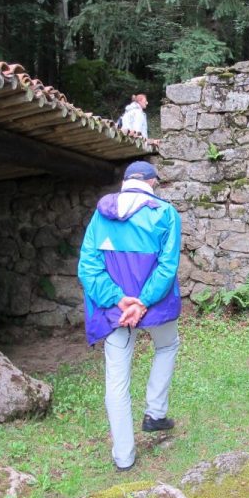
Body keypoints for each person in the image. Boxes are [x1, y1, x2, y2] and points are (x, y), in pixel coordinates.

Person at [78, 160, 182, 472]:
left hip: (115, 313)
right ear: (152, 183)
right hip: (155, 307)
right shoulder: (164, 213)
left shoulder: (101, 214)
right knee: (167, 345)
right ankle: (155, 411)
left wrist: (119, 300)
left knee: (116, 379)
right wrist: (143, 302)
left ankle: (123, 456)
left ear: (125, 182)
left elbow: (88, 266)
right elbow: (167, 265)